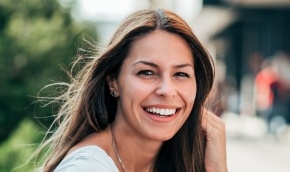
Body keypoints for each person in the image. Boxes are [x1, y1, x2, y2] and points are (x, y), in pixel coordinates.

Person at [34, 8, 227, 172]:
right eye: (147, 72)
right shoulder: (88, 167)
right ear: (113, 82)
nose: (167, 90)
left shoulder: (173, 158)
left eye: (181, 74)